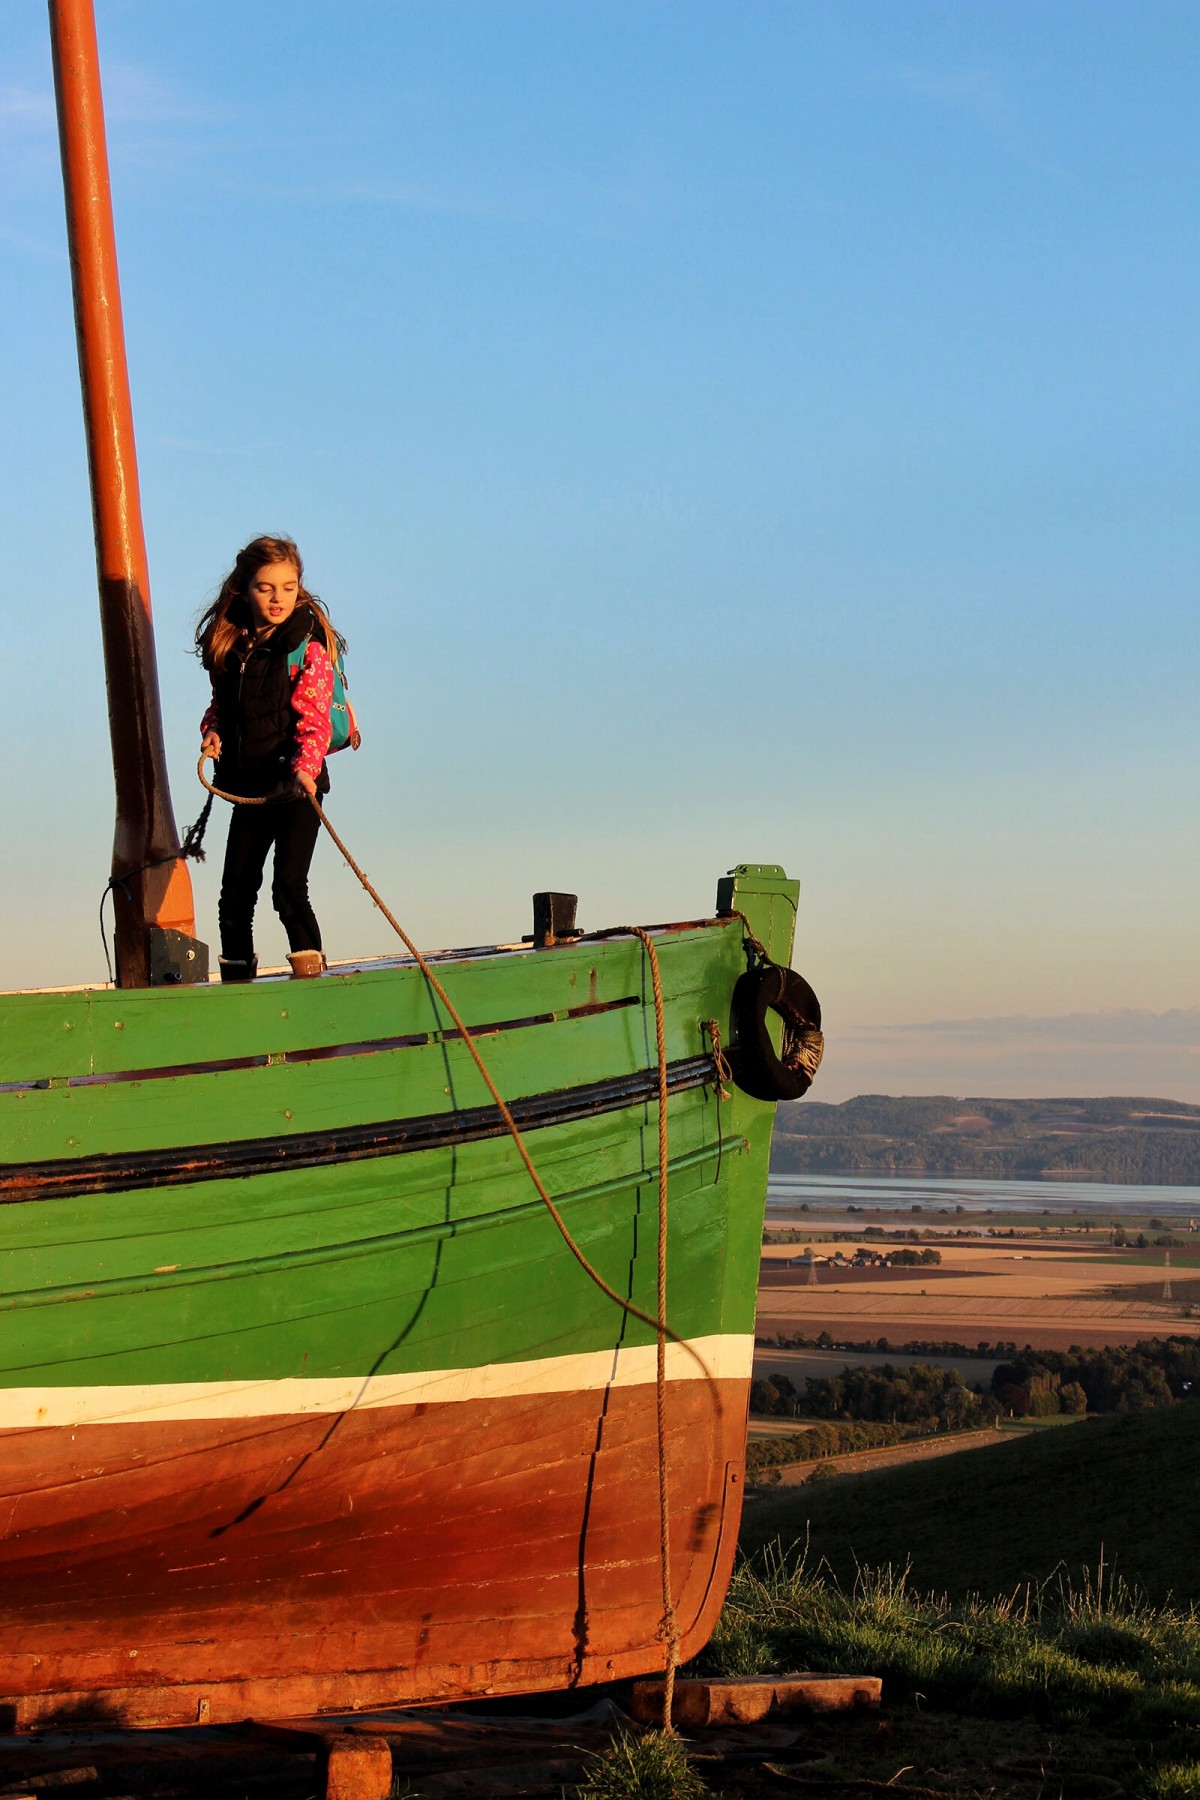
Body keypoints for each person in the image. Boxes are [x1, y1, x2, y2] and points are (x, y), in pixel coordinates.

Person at [196, 535, 345, 982]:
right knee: (235, 893)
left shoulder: (307, 646)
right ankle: (239, 985)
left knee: (288, 890)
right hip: (248, 789)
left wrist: (305, 767)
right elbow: (220, 706)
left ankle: (312, 979)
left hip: (297, 786)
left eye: (288, 586)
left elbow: (315, 718)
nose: (279, 597)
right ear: (244, 588)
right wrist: (212, 733)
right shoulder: (232, 646)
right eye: (267, 588)